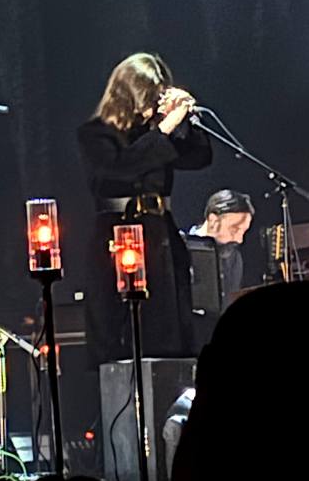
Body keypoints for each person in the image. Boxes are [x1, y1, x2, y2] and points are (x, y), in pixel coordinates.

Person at [77, 52, 212, 365]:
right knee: (124, 327)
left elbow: (199, 158)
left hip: (160, 232)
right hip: (118, 234)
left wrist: (189, 123)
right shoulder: (96, 134)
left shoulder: (154, 134)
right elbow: (120, 170)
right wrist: (163, 130)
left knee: (172, 323)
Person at [188, 189, 255, 306]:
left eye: (244, 232)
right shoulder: (181, 250)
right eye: (235, 229)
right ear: (213, 221)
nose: (240, 239)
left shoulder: (234, 256)